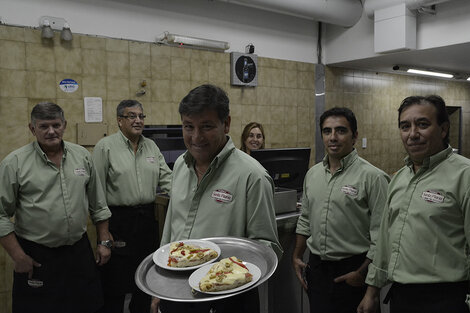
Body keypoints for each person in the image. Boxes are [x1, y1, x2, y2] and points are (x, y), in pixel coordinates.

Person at [154, 84, 282, 313]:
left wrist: (222, 275)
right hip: (177, 293)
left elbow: (267, 248)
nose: (196, 137)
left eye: (206, 127)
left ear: (227, 124)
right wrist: (160, 286)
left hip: (227, 298)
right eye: (188, 126)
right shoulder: (181, 167)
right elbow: (171, 232)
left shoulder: (252, 176)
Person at [358, 95, 470, 313]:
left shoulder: (464, 176)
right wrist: (371, 292)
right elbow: (384, 241)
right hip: (402, 297)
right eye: (405, 126)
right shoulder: (399, 178)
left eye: (423, 124)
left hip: (447, 300)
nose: (412, 134)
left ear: (444, 129)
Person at [0, 102, 112, 313]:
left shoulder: (82, 156)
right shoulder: (14, 163)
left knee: (88, 306)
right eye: (43, 126)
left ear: (64, 125)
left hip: (79, 253)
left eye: (56, 125)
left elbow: (98, 204)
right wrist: (18, 256)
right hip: (37, 256)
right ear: (32, 129)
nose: (51, 131)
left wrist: (104, 240)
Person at [293, 107, 390, 313]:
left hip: (354, 269)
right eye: (327, 131)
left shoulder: (373, 178)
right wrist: (297, 256)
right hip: (317, 270)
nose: (333, 137)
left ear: (354, 136)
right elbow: (305, 219)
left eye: (341, 131)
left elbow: (382, 236)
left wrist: (363, 273)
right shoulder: (313, 175)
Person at [92, 99, 172, 313]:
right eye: (131, 116)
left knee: (146, 282)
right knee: (115, 288)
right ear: (119, 121)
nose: (138, 120)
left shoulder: (151, 146)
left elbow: (168, 180)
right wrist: (103, 236)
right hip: (118, 222)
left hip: (146, 221)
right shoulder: (105, 147)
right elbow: (96, 192)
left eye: (141, 116)